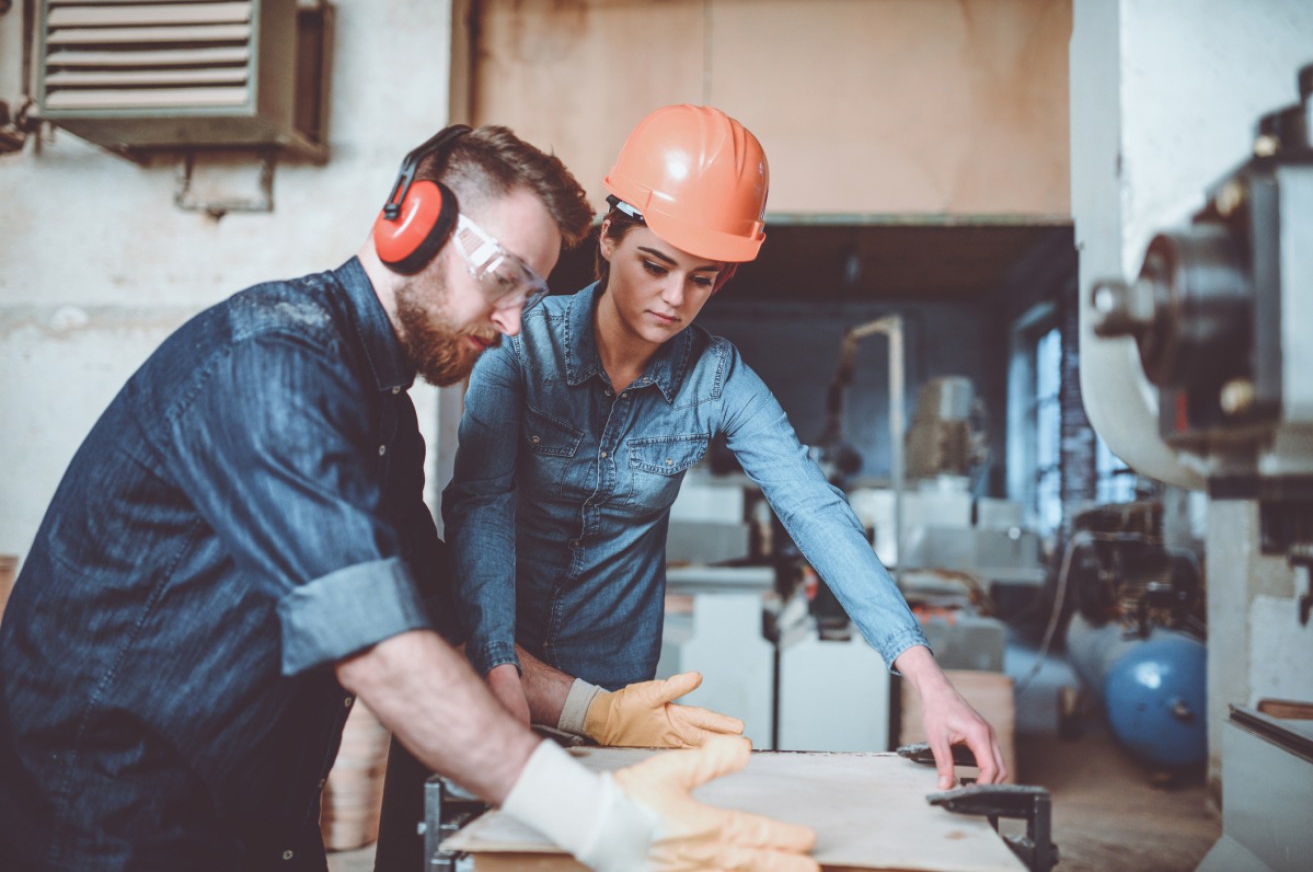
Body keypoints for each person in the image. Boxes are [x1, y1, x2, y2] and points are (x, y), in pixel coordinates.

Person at [0, 123, 820, 872]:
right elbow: (378, 645)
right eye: (503, 279)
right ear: (410, 224)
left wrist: (595, 712)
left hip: (248, 827)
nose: (511, 324)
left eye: (530, 297)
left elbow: (439, 623)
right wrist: (594, 819)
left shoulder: (383, 414)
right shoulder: (270, 365)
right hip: (105, 823)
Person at [444, 104, 1008, 788]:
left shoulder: (717, 379)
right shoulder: (518, 349)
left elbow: (813, 509)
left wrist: (927, 678)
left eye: (701, 277)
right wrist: (499, 671)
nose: (673, 299)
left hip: (619, 694)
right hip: (490, 660)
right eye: (654, 264)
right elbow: (480, 510)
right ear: (608, 239)